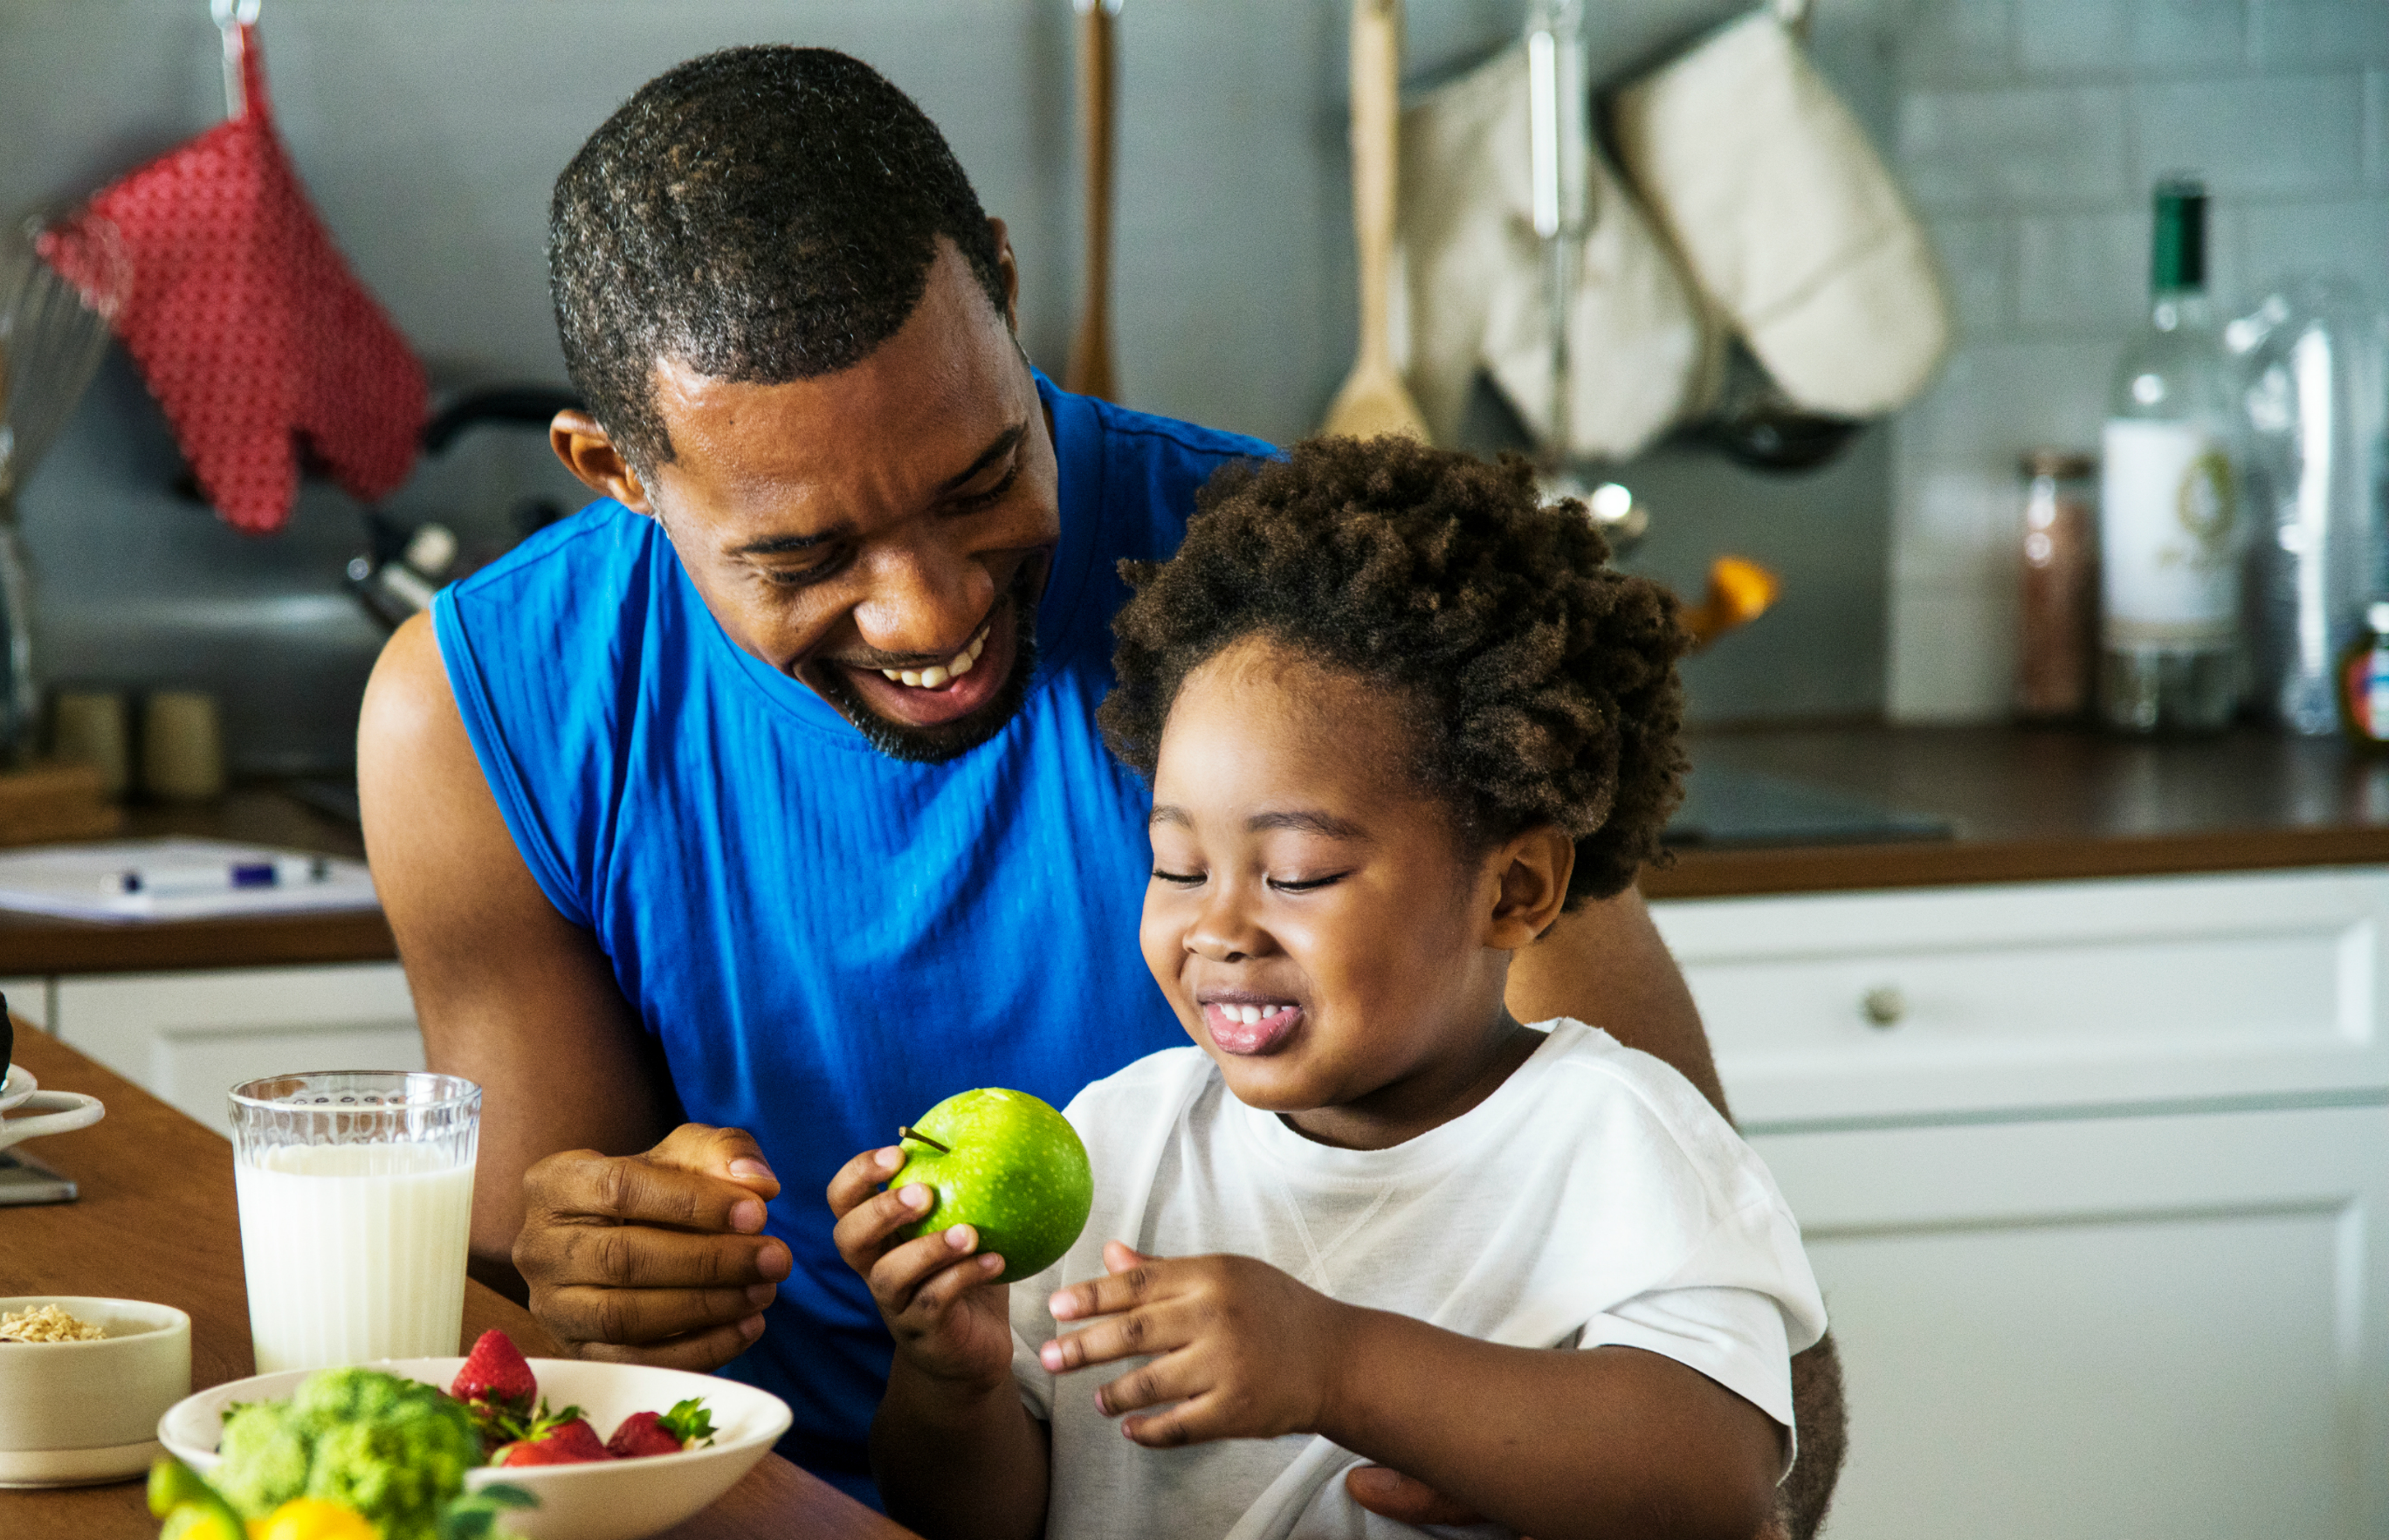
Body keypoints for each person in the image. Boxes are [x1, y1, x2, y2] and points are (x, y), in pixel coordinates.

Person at [356, 43, 1844, 1531]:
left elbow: (1751, 1397)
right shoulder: (478, 712)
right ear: (613, 467)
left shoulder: (1320, 632)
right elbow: (536, 1325)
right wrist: (609, 1256)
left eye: (977, 477)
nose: (927, 612)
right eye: (805, 556)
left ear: (1003, 286)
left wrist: (1379, 1379)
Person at [829, 437, 1825, 1540]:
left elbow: (1711, 1484)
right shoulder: (1121, 1141)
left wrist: (1337, 1366)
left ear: (1515, 888)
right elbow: (978, 1520)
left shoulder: (1615, 1141)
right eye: (1176, 865)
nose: (1216, 927)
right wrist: (954, 1385)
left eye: (1297, 873)